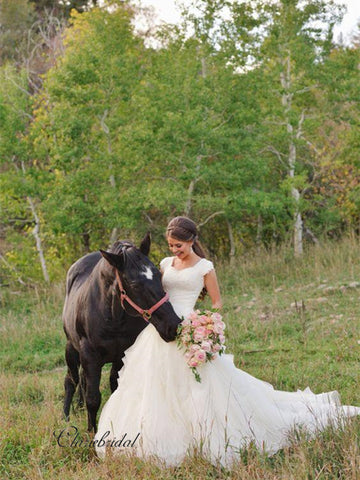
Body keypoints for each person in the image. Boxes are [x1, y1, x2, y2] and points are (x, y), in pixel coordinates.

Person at [94, 216, 360, 467]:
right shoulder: (164, 264)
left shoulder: (205, 268)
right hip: (162, 329)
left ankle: (202, 435)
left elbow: (217, 302)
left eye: (179, 245)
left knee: (199, 388)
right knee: (152, 384)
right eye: (171, 245)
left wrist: (205, 325)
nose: (175, 250)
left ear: (191, 240)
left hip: (190, 330)